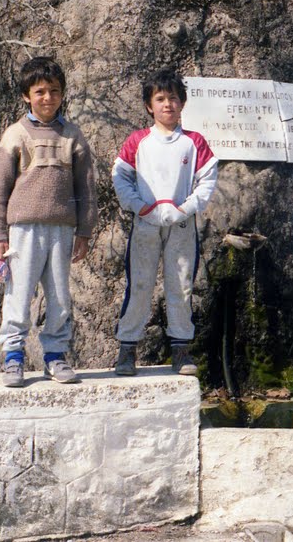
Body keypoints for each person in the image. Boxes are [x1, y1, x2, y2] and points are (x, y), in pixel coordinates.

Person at [0, 56, 97, 388]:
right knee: (18, 294)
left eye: (54, 91)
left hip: (62, 230)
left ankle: (55, 355)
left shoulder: (73, 136)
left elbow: (87, 188)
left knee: (60, 297)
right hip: (23, 230)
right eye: (40, 91)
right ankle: (14, 357)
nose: (47, 98)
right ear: (26, 95)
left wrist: (85, 231)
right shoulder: (15, 135)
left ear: (62, 94)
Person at [111, 69, 218, 376]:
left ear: (182, 103)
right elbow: (120, 178)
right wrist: (140, 207)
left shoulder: (194, 143)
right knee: (140, 284)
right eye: (160, 98)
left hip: (182, 226)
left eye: (173, 98)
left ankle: (181, 350)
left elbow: (207, 182)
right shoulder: (137, 141)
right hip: (146, 224)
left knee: (181, 285)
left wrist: (184, 208)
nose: (167, 104)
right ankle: (127, 349)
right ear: (149, 105)